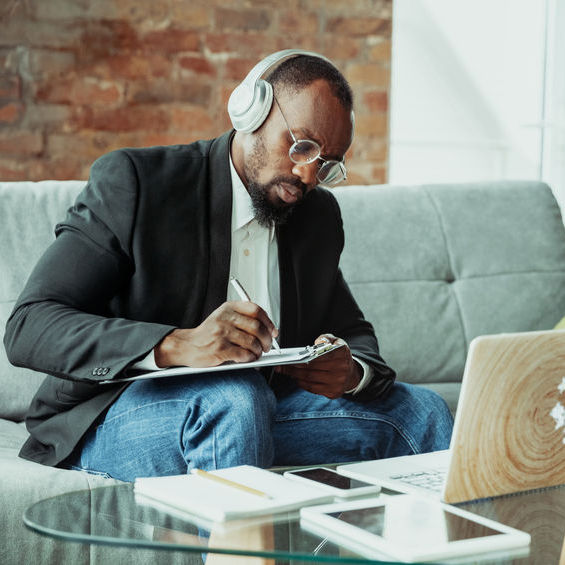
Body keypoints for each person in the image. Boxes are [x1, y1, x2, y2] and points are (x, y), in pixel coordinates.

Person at [4, 50, 453, 482]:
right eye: (302, 147)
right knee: (235, 401)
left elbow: (352, 328)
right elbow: (30, 325)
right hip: (112, 414)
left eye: (328, 163)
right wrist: (177, 345)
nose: (308, 176)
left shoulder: (316, 216)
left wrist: (352, 371)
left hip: (258, 409)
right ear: (250, 111)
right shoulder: (140, 184)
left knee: (423, 412)